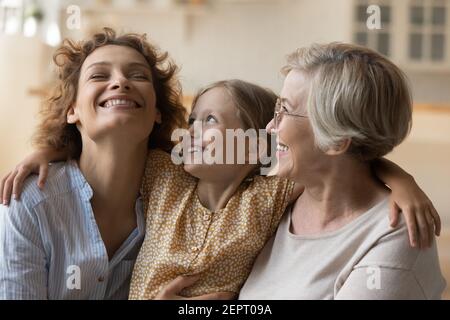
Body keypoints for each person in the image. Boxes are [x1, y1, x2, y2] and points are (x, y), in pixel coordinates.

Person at [1, 75, 441, 299]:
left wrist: (401, 179)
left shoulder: (269, 197)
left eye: (210, 121)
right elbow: (109, 145)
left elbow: (338, 158)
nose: (190, 131)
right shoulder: (163, 178)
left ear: (255, 143)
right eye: (193, 120)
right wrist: (48, 152)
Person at [239, 43, 446, 299]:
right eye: (276, 108)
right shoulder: (278, 198)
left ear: (336, 141)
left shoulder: (399, 237)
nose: (271, 126)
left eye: (286, 110)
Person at [0, 28, 186, 299]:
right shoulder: (29, 203)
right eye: (99, 75)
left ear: (157, 111)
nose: (121, 82)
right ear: (72, 110)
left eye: (138, 75)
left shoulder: (184, 204)